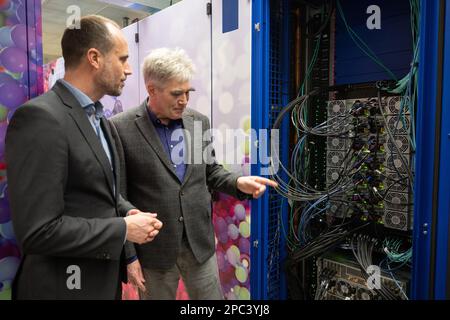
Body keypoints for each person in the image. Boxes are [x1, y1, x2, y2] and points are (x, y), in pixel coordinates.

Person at [5, 15, 162, 300]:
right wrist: (123, 229)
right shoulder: (41, 118)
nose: (128, 70)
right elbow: (39, 230)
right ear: (94, 58)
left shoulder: (101, 120)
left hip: (98, 283)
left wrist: (126, 210)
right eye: (123, 59)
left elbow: (99, 193)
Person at [109, 47, 277, 300]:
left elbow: (211, 171)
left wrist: (238, 181)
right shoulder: (120, 128)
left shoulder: (198, 121)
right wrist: (130, 257)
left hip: (199, 243)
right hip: (154, 250)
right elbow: (119, 198)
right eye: (177, 93)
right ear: (152, 90)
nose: (184, 100)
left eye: (188, 92)